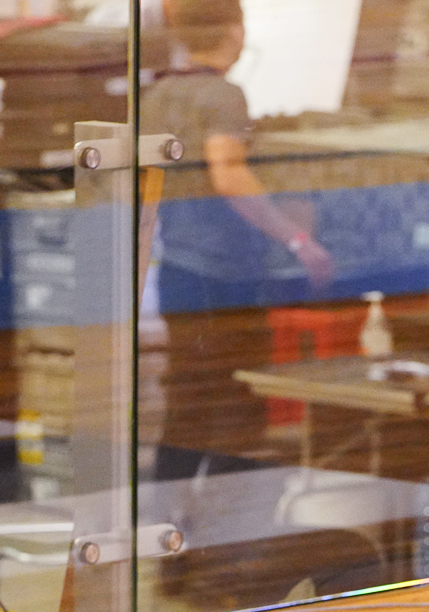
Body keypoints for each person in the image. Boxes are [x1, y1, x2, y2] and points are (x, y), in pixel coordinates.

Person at [142, 0, 334, 466]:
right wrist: (297, 239)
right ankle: (231, 517)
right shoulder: (223, 96)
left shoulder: (157, 95)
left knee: (188, 400)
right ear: (234, 29)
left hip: (179, 269)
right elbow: (227, 173)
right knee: (241, 403)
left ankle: (173, 513)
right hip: (225, 274)